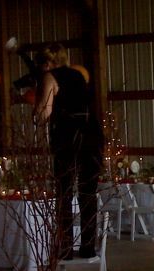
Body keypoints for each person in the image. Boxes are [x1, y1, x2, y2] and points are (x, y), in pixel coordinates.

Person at [34, 43, 103, 259]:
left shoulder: (49, 77)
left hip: (68, 138)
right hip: (92, 137)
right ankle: (88, 246)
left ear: (48, 62)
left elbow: (44, 113)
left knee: (64, 194)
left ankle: (65, 249)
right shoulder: (78, 76)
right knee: (88, 194)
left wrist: (35, 107)